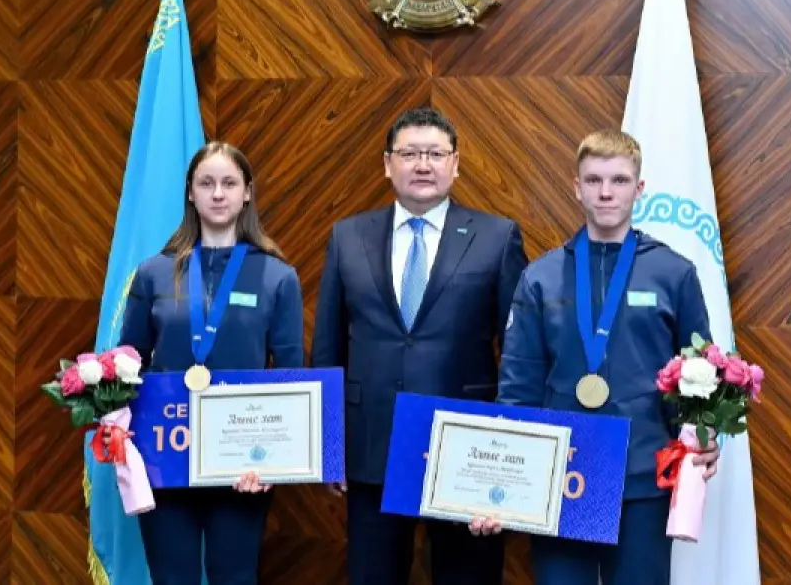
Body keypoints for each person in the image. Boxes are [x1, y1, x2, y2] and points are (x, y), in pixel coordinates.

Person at [467, 129, 720, 585]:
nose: (606, 192)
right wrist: (499, 483)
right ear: (576, 187)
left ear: (639, 189)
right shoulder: (540, 277)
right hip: (560, 481)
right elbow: (519, 388)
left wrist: (705, 435)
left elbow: (701, 377)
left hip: (643, 478)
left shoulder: (674, 273)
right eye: (594, 180)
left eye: (619, 180)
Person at [312, 107, 528, 585]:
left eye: (435, 153)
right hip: (372, 445)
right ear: (387, 164)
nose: (423, 164)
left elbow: (519, 353)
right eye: (410, 153)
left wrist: (512, 448)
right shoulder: (347, 236)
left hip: (468, 451)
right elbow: (328, 345)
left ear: (456, 164)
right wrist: (328, 444)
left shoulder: (497, 237)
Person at [116, 141, 305, 585]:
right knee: (171, 578)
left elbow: (292, 376)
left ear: (247, 193)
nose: (218, 193)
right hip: (164, 456)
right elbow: (127, 362)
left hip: (243, 464)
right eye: (206, 183)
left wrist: (275, 462)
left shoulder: (278, 276)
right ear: (190, 192)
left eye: (229, 183)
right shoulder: (153, 273)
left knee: (234, 578)